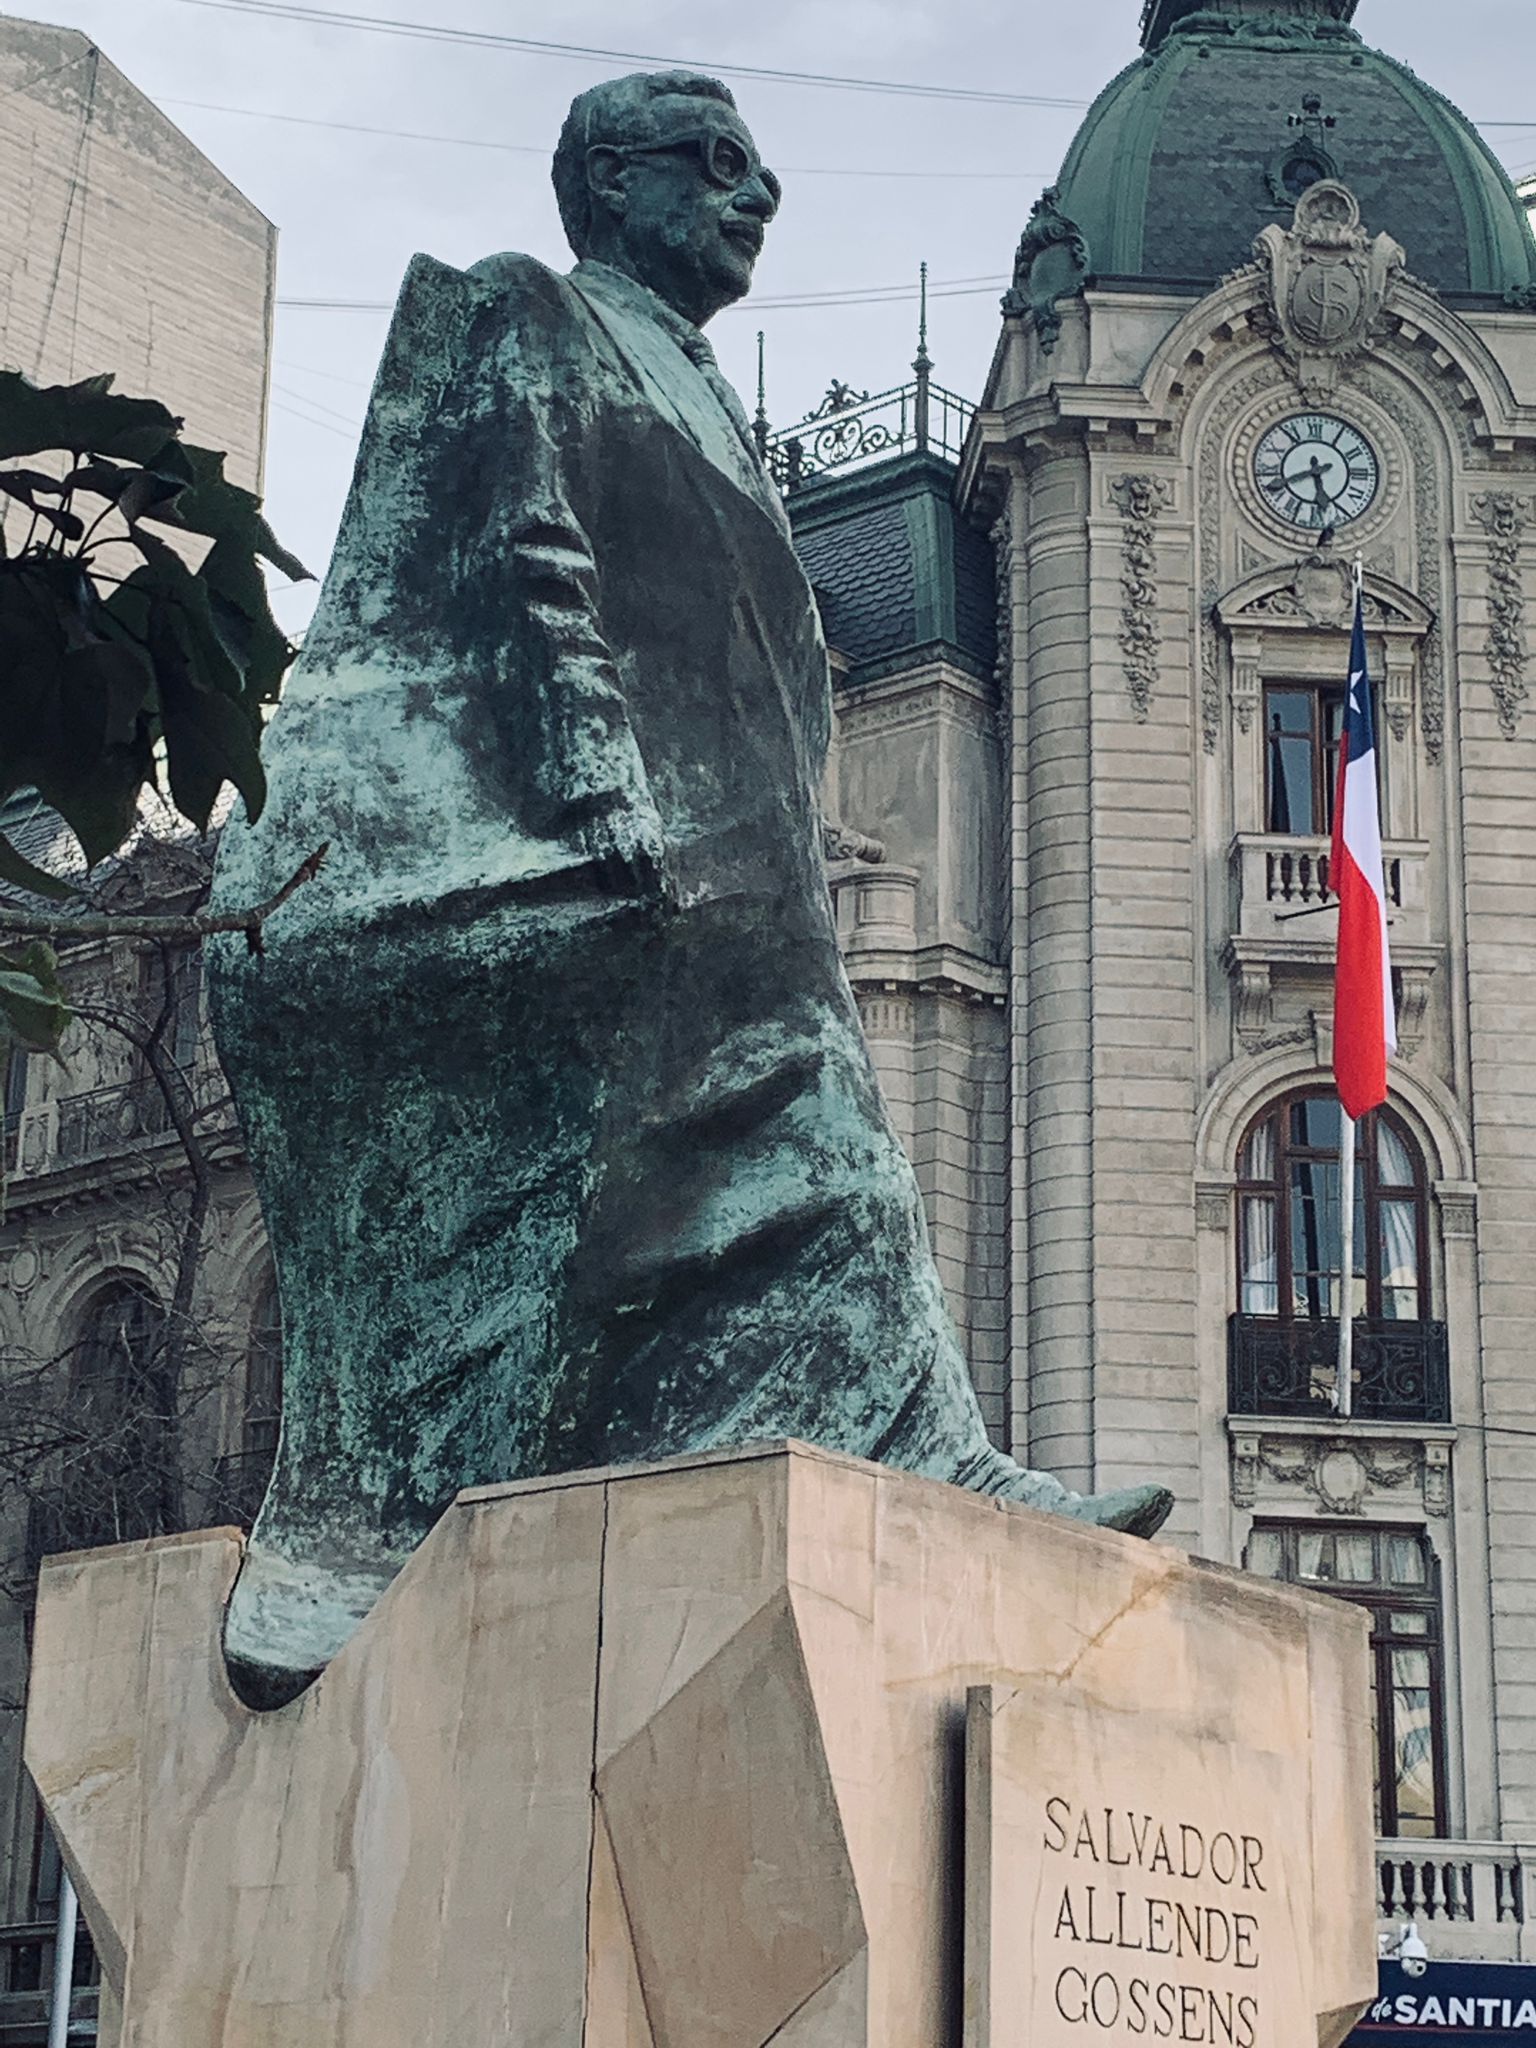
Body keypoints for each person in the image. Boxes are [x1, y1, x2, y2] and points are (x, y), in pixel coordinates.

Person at [209, 69, 1172, 1708]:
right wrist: (593, 779)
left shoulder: (712, 394)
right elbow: (522, 554)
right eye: (720, 166)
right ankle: (370, 1516)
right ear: (615, 180)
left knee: (848, 1182)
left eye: (762, 170)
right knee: (563, 1204)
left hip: (746, 887)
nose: (760, 197)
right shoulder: (526, 314)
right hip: (602, 847)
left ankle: (936, 1447)